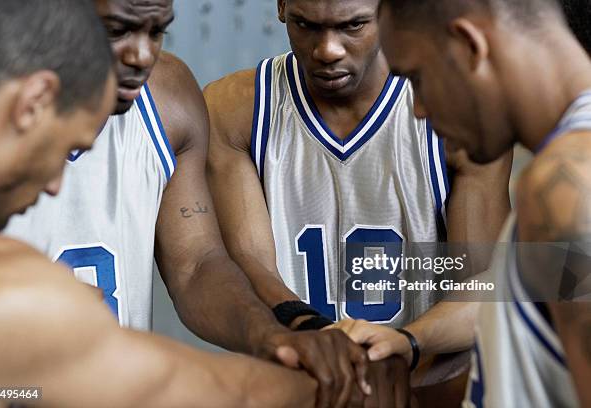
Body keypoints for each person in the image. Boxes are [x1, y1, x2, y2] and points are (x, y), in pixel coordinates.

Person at [3, 0, 387, 405]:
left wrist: (272, 335)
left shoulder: (167, 101)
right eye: (117, 31)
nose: (141, 55)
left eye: (156, 31)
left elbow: (197, 264)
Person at [204, 0, 511, 385]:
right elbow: (250, 265)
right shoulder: (235, 110)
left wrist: (400, 359)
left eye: (353, 26)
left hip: (425, 382)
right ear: (281, 6)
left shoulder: (462, 109)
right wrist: (319, 344)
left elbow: (481, 288)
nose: (327, 50)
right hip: (302, 379)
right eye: (306, 25)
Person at [377, 0, 591, 406]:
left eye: (417, 78)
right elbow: (535, 287)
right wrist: (410, 341)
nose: (419, 110)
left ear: (469, 44)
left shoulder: (567, 182)